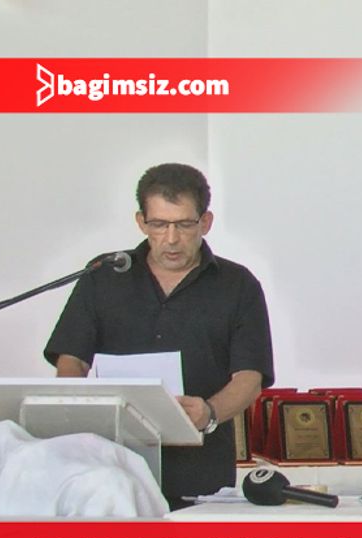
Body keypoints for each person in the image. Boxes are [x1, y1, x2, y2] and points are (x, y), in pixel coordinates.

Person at [44, 163, 274, 509]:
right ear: (141, 222)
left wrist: (210, 412)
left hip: (199, 470)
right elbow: (71, 359)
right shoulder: (104, 276)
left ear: (206, 222)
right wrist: (78, 409)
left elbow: (250, 377)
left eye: (184, 224)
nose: (171, 238)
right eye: (159, 224)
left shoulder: (237, 285)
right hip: (108, 469)